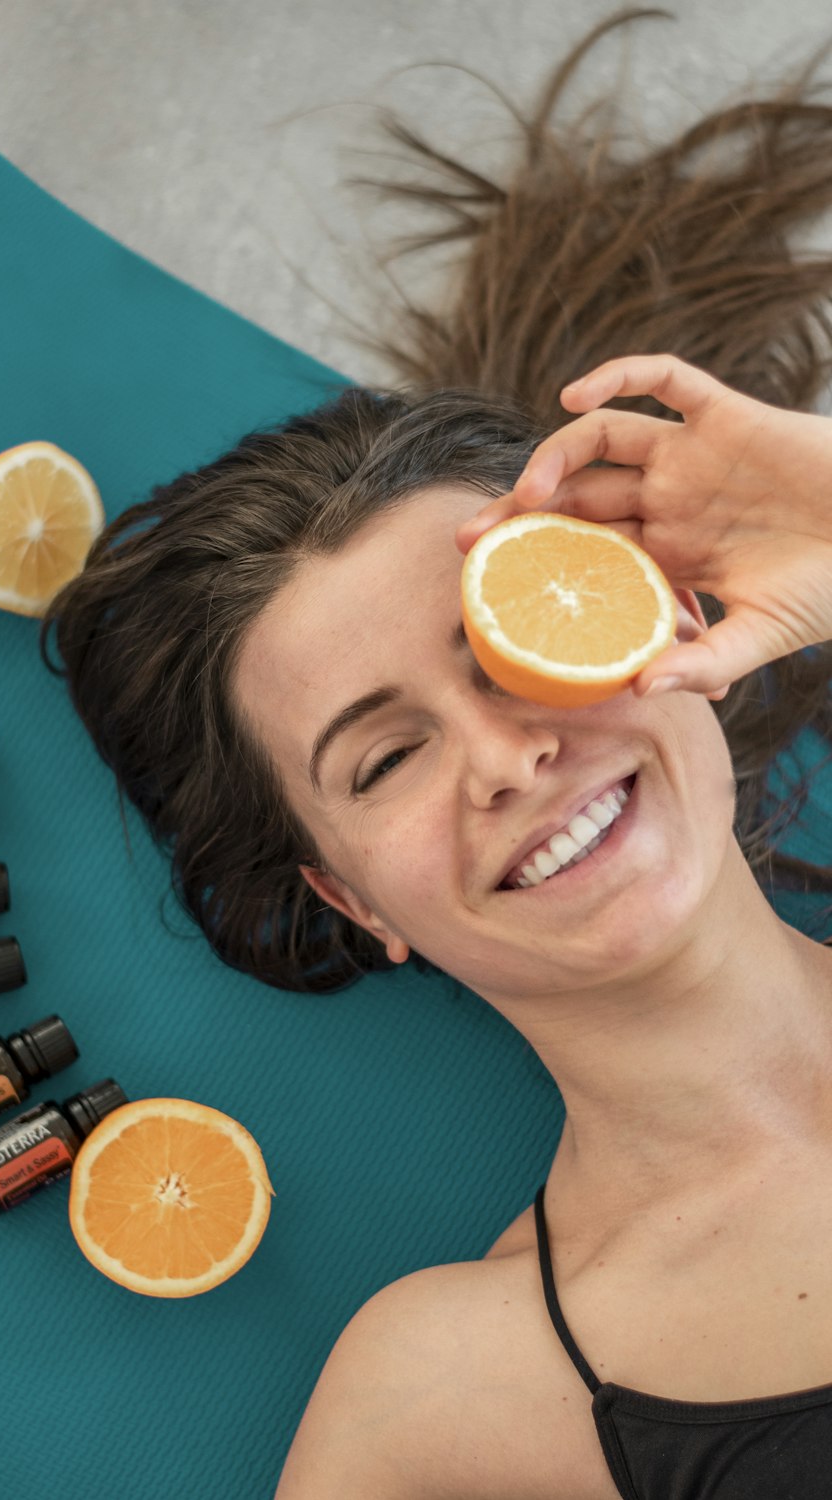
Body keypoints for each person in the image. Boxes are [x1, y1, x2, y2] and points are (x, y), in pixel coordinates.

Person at [40, 13, 832, 1497]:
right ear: (353, 904)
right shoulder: (447, 1397)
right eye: (381, 760)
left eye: (508, 650)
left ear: (663, 617)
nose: (503, 756)